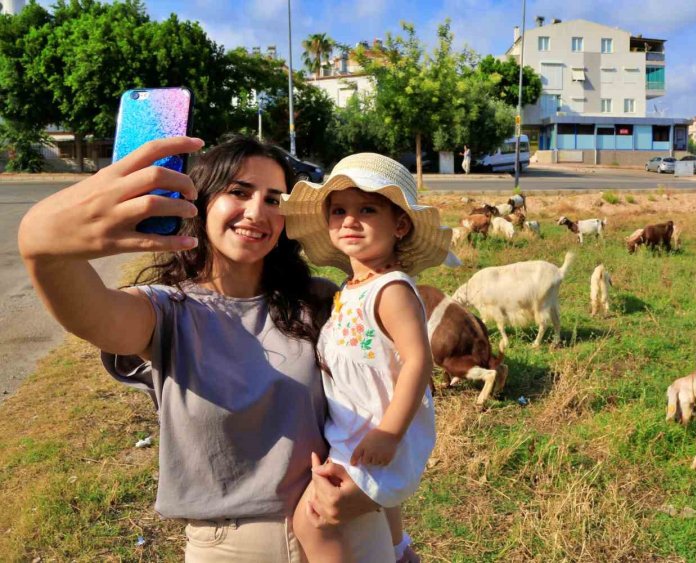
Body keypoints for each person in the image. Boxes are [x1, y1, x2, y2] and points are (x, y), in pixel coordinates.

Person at [17, 135, 393, 562]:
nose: (256, 212)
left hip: (353, 532)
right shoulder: (167, 311)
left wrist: (395, 536)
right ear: (201, 201)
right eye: (238, 192)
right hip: (233, 549)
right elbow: (92, 314)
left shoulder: (322, 301)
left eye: (274, 200)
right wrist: (41, 244)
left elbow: (378, 405)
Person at [280, 153, 452, 563]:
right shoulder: (351, 287)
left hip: (377, 431)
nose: (349, 221)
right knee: (381, 516)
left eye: (367, 209)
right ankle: (399, 552)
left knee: (313, 519)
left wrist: (389, 433)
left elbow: (418, 362)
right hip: (354, 427)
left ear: (400, 224)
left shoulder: (391, 289)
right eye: (338, 210)